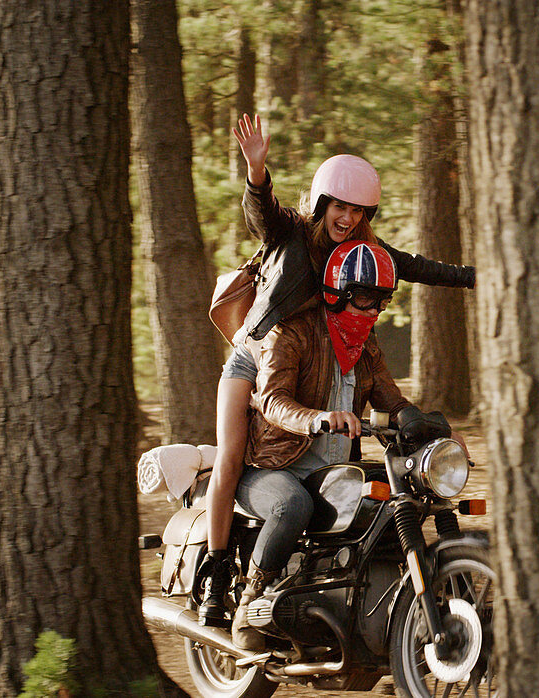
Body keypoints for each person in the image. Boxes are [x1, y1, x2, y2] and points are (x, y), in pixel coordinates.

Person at [198, 114, 475, 628]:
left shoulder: (363, 252)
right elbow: (262, 213)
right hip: (260, 353)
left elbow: (415, 267)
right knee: (233, 458)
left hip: (327, 361)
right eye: (340, 207)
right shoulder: (293, 234)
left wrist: (477, 277)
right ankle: (219, 577)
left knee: (341, 472)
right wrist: (257, 171)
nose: (347, 218)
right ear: (323, 204)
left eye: (358, 210)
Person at [224, 240, 414, 650]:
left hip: (327, 475)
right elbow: (272, 400)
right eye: (365, 299)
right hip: (271, 468)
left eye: (381, 301)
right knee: (291, 505)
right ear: (337, 293)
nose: (373, 311)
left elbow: (392, 400)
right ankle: (251, 600)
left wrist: (428, 426)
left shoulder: (365, 346)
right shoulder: (290, 330)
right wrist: (317, 418)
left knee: (395, 502)